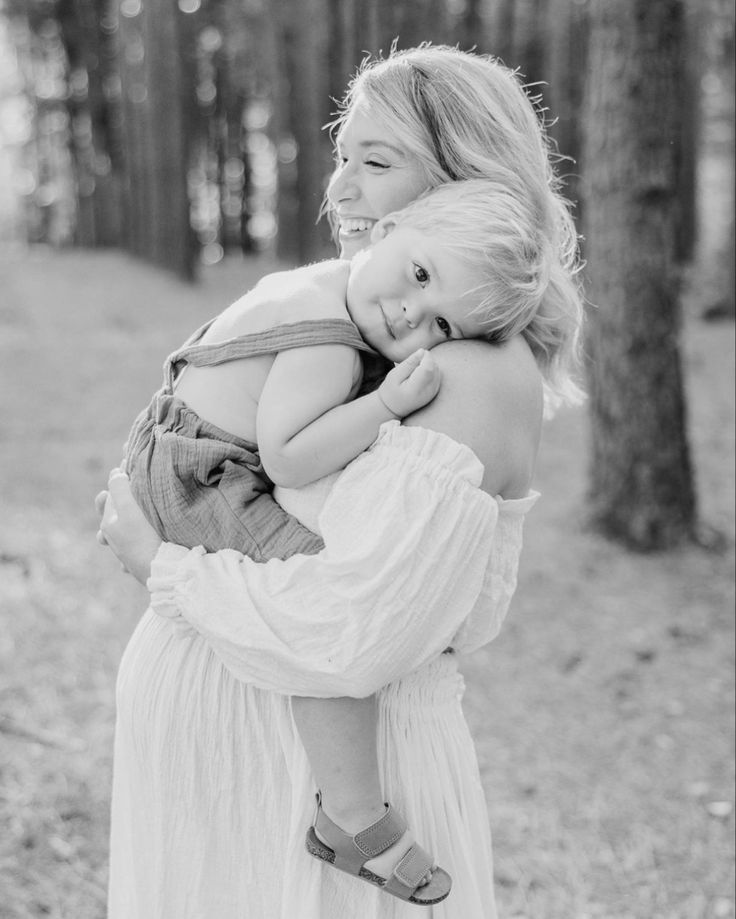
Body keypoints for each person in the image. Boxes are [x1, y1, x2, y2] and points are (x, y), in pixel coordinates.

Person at [98, 44, 584, 919]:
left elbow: (352, 628)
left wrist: (158, 563)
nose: (341, 191)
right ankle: (353, 812)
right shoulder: (371, 323)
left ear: (461, 180)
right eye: (344, 157)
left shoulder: (460, 358)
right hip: (246, 729)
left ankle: (353, 809)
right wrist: (162, 558)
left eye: (377, 161)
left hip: (281, 729)